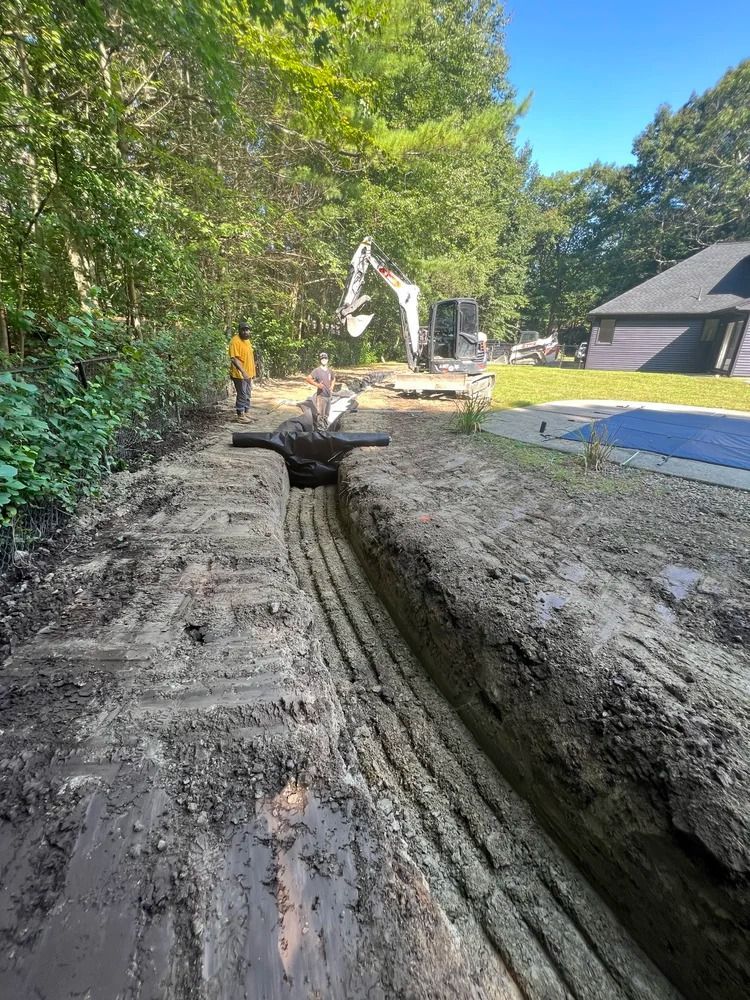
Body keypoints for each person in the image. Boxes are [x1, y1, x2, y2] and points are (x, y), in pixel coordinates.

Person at [229, 321, 256, 422]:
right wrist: (243, 371)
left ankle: (246, 412)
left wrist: (252, 372)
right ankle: (240, 415)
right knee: (242, 394)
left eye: (247, 330)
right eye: (243, 330)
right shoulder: (235, 341)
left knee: (248, 393)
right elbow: (234, 359)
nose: (246, 332)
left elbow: (249, 356)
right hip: (239, 374)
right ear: (239, 331)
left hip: (248, 373)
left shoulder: (247, 341)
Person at [306, 352, 336, 425]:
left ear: (327, 360)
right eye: (322, 358)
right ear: (320, 360)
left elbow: (333, 378)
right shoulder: (317, 371)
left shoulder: (330, 370)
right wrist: (317, 385)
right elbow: (308, 379)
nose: (324, 360)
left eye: (325, 358)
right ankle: (320, 430)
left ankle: (326, 428)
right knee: (320, 415)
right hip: (321, 396)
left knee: (326, 415)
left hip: (329, 396)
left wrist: (332, 386)